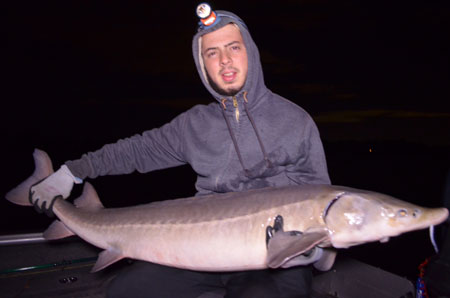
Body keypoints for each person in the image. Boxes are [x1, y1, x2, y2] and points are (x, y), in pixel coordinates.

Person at [30, 5, 330, 298]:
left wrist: (318, 251)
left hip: (273, 257)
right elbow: (134, 151)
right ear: (202, 64)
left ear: (250, 52)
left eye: (233, 48)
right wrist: (71, 173)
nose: (225, 60)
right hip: (197, 249)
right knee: (126, 289)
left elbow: (320, 200)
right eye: (212, 53)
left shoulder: (295, 121)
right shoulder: (193, 124)